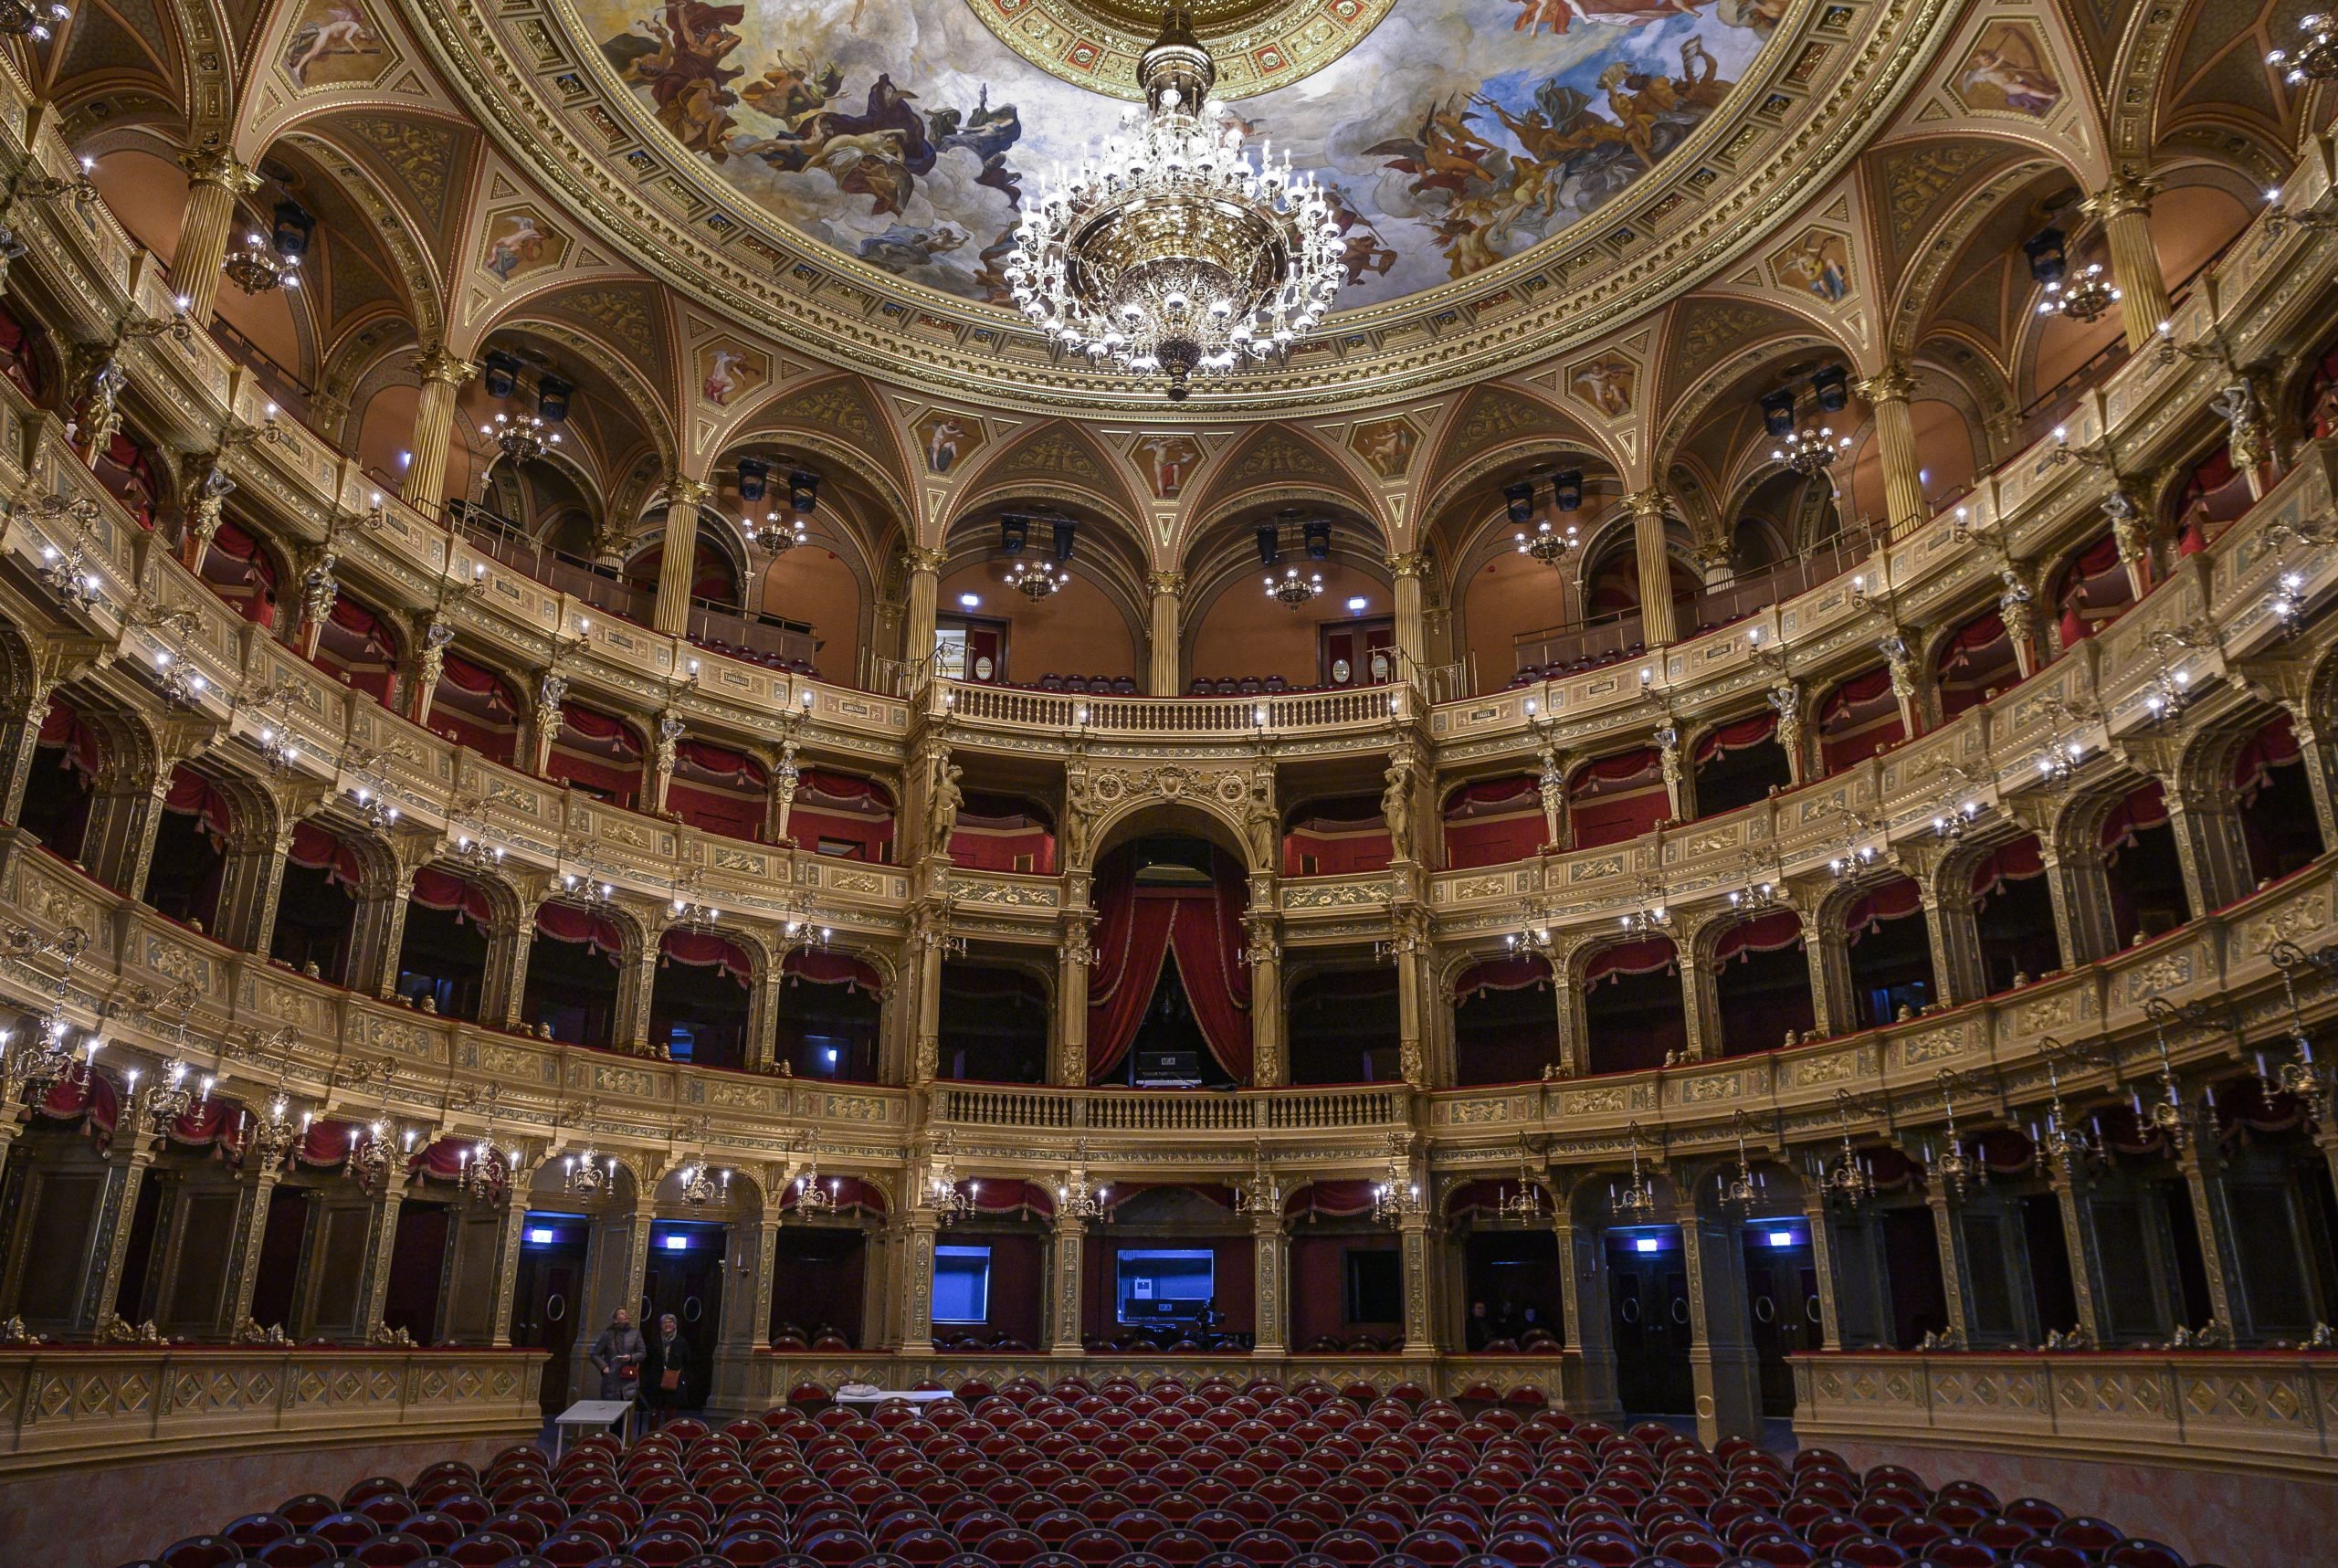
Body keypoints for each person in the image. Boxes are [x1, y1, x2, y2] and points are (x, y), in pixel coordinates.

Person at [644, 1311, 691, 1425]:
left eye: (670, 1322)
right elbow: (648, 1360)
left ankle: (669, 1438)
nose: (667, 1324)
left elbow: (687, 1360)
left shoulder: (681, 1341)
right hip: (657, 1382)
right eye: (664, 1323)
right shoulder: (654, 1341)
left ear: (675, 1325)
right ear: (661, 1326)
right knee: (654, 1415)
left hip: (674, 1382)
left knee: (671, 1416)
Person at [589, 1307, 645, 1403]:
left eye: (626, 1313)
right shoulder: (608, 1335)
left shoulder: (635, 1334)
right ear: (615, 1320)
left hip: (628, 1379)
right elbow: (594, 1354)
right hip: (611, 1378)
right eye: (622, 1314)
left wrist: (631, 1357)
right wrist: (604, 1367)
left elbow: (642, 1353)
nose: (626, 1315)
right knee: (610, 1410)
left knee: (624, 1410)